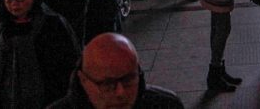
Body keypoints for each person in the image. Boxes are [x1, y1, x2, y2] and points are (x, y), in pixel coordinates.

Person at [47, 33, 183, 109]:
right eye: (108, 84)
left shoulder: (166, 106)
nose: (120, 92)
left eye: (128, 80)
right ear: (83, 80)